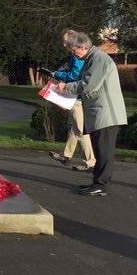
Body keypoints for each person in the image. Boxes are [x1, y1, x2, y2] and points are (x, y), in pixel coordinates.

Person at [57, 31, 128, 196]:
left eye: (74, 51)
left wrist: (66, 87)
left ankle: (101, 185)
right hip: (101, 112)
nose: (74, 54)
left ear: (82, 46)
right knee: (100, 150)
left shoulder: (98, 59)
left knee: (104, 151)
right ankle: (97, 183)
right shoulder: (93, 59)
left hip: (106, 113)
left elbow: (89, 85)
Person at [47, 29, 95, 172]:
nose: (64, 45)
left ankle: (91, 162)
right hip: (79, 96)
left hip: (77, 97)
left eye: (66, 42)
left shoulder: (76, 55)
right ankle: (66, 155)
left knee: (80, 130)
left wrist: (56, 74)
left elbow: (74, 74)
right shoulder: (82, 54)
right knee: (75, 127)